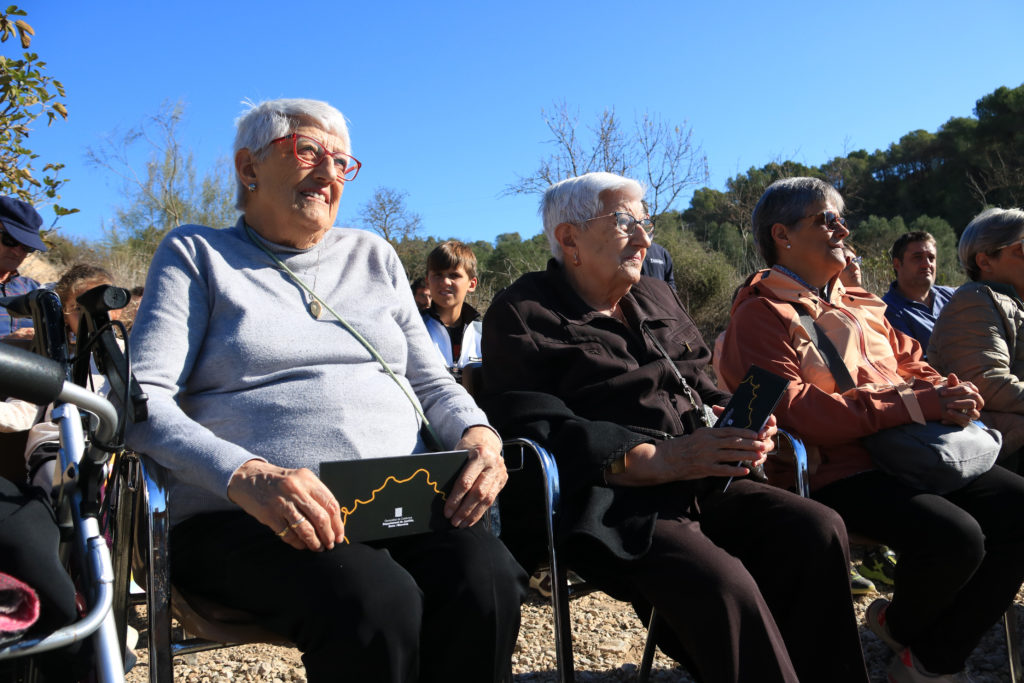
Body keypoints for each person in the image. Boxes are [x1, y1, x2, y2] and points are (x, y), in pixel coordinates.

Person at [124, 98, 525, 683]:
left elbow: (429, 378)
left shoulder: (375, 257)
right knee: (376, 601)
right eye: (308, 151)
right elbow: (143, 401)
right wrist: (251, 476)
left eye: (342, 162)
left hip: (396, 502)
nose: (329, 172)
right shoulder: (197, 255)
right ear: (248, 168)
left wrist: (479, 434)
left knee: (488, 580)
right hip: (247, 517)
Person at [481, 172, 868, 683]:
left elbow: (702, 381)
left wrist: (744, 420)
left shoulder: (657, 295)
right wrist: (655, 459)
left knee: (817, 530)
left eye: (646, 222)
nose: (644, 238)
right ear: (569, 238)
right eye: (625, 223)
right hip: (616, 501)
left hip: (707, 477)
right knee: (722, 583)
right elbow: (535, 428)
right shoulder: (522, 313)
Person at [718, 177, 1024, 683]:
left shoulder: (861, 302)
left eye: (842, 217)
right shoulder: (760, 313)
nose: (843, 228)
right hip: (842, 469)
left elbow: (912, 361)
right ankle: (906, 631)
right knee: (957, 539)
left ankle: (924, 659)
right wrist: (913, 403)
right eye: (826, 219)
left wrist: (948, 391)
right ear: (782, 234)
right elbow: (795, 410)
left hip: (919, 451)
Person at [928, 207, 1024, 466]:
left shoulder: (1014, 303)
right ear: (985, 261)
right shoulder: (974, 301)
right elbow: (988, 384)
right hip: (1004, 450)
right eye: (1022, 247)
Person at [882, 231, 955, 353]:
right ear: (897, 264)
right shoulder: (889, 311)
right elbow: (913, 362)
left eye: (931, 258)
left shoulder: (951, 296)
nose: (927, 264)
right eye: (917, 258)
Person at [421, 240, 482, 374]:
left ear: (471, 284)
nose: (445, 282)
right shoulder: (414, 329)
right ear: (427, 281)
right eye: (438, 275)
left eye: (454, 275)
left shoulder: (485, 334)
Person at [0, 197, 48, 339]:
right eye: (10, 240)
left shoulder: (36, 291)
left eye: (26, 247)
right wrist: (8, 345)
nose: (17, 252)